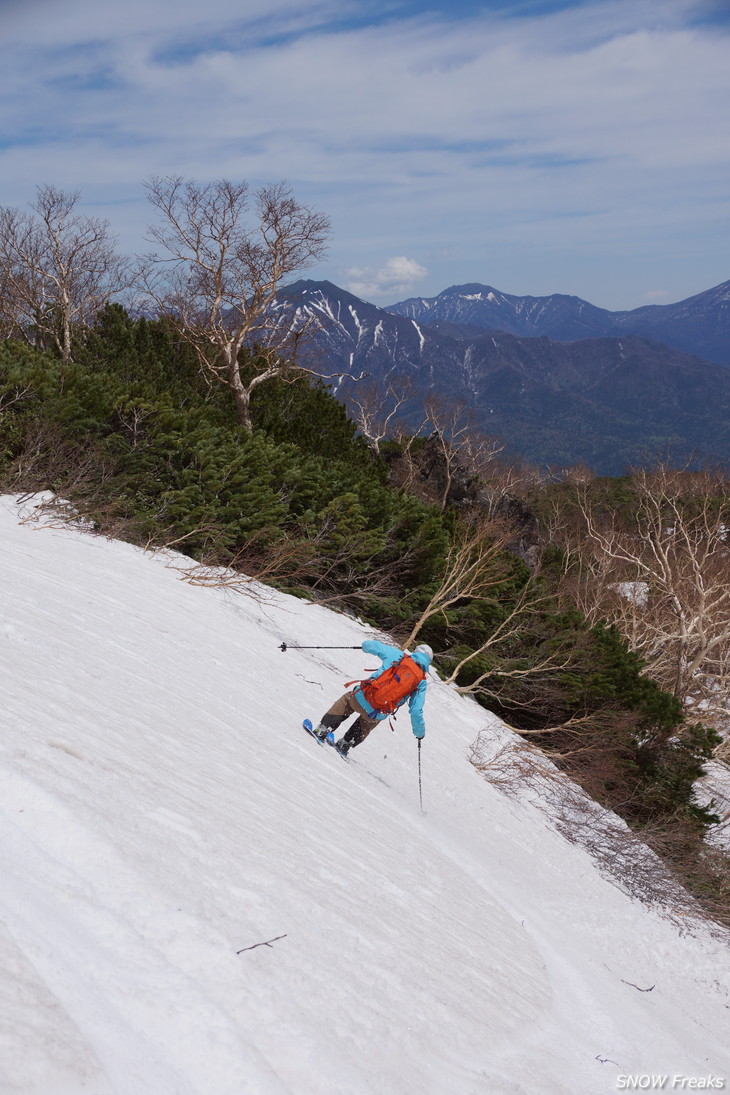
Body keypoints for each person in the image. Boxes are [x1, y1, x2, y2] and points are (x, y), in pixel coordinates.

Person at [311, 639, 433, 757]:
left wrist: (364, 646)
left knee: (347, 701)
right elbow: (416, 711)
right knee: (370, 721)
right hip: (377, 712)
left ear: (416, 652)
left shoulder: (399, 656)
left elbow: (370, 645)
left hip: (363, 696)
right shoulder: (421, 681)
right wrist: (419, 733)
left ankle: (323, 728)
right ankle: (346, 743)